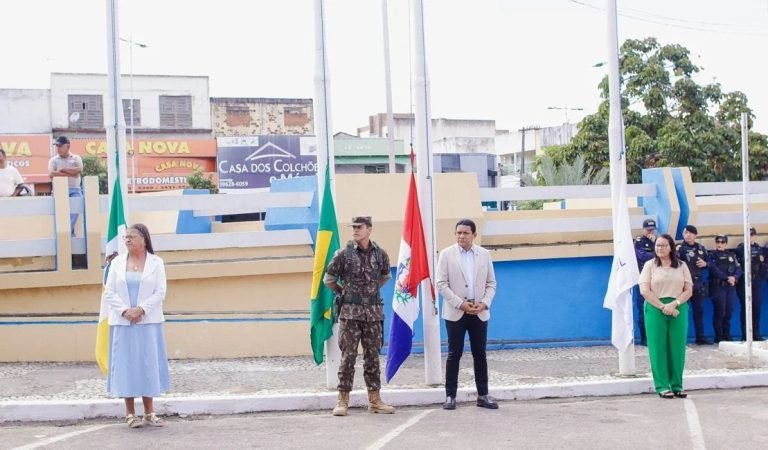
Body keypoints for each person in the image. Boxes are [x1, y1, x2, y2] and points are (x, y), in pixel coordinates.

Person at [323, 216, 395, 416]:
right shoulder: (343, 255)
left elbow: (385, 276)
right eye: (353, 227)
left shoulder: (381, 254)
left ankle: (375, 400)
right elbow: (328, 279)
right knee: (348, 357)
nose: (355, 230)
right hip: (350, 314)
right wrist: (344, 293)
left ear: (369, 229)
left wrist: (369, 292)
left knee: (372, 356)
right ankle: (342, 400)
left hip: (373, 314)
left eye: (359, 227)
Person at [103, 224, 169, 428]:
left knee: (148, 364)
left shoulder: (156, 263)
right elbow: (109, 291)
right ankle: (130, 413)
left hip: (148, 321)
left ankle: (150, 412)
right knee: (126, 364)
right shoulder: (116, 263)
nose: (128, 240)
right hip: (123, 322)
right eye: (126, 237)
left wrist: (140, 309)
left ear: (144, 239)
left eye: (132, 237)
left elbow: (160, 292)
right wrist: (125, 311)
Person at [436, 219, 498, 410]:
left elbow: (491, 283)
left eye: (465, 233)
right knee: (454, 354)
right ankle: (450, 396)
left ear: (474, 235)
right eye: (458, 233)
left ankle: (483, 395)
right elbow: (441, 283)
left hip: (478, 311)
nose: (461, 236)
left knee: (480, 354)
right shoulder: (447, 254)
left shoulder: (484, 255)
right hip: (456, 312)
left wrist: (484, 304)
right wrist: (460, 304)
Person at [639, 233, 693, 399]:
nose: (659, 248)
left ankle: (677, 385)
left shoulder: (682, 266)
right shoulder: (650, 265)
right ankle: (662, 385)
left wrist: (674, 304)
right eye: (657, 245)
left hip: (678, 308)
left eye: (663, 245)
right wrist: (663, 306)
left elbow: (688, 290)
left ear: (671, 247)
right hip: (656, 308)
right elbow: (645, 290)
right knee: (658, 348)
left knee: (677, 348)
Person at [676, 225, 710, 344]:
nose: (688, 235)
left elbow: (711, 263)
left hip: (697, 285)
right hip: (683, 286)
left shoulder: (701, 248)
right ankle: (680, 339)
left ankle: (700, 337)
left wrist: (706, 264)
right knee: (681, 312)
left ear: (695, 235)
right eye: (686, 233)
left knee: (698, 312)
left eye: (691, 233)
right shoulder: (679, 248)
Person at [708, 234, 741, 343]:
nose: (720, 244)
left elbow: (739, 269)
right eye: (718, 241)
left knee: (728, 312)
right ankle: (719, 337)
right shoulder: (712, 255)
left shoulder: (732, 255)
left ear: (726, 244)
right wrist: (727, 278)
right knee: (720, 312)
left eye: (722, 242)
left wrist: (734, 278)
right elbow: (714, 269)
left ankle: (727, 335)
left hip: (730, 287)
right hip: (718, 287)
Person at [48, 136, 83, 236]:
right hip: (59, 191)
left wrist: (62, 169)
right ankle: (69, 235)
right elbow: (51, 174)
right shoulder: (53, 160)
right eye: (57, 146)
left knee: (75, 211)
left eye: (60, 146)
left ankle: (65, 234)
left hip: (75, 190)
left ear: (68, 146)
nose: (58, 148)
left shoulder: (76, 158)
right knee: (61, 214)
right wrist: (71, 173)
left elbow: (79, 170)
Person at [736, 227, 766, 341]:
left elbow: (764, 265)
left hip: (757, 281)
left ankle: (756, 334)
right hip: (744, 281)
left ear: (755, 236)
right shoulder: (740, 249)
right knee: (746, 308)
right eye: (747, 234)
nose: (750, 236)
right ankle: (746, 335)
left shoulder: (759, 249)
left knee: (756, 308)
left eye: (752, 234)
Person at [634, 218, 657, 345]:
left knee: (657, 308)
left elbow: (667, 255)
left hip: (657, 280)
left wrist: (655, 244)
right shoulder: (639, 241)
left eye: (652, 229)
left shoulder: (659, 241)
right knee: (643, 308)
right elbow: (641, 256)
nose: (650, 232)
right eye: (648, 230)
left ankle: (655, 336)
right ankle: (645, 338)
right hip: (644, 280)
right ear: (643, 229)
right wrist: (656, 252)